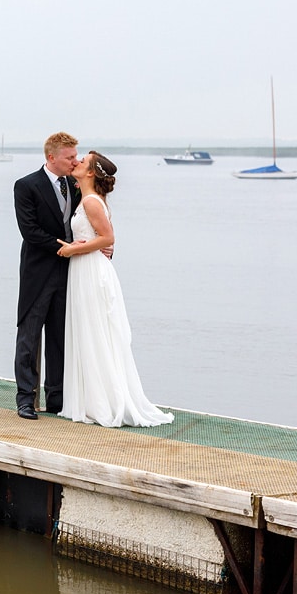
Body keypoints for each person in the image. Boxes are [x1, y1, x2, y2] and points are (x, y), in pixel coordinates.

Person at [56, 151, 173, 427]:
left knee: (96, 331)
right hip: (85, 268)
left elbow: (108, 238)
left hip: (91, 270)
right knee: (89, 331)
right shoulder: (88, 199)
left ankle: (103, 402)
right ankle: (92, 400)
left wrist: (75, 248)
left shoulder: (92, 202)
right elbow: (101, 238)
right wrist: (83, 248)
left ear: (91, 173)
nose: (77, 162)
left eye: (82, 161)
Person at [12, 132, 80, 420]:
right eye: (69, 157)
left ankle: (58, 398)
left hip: (70, 272)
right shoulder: (26, 186)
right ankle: (26, 399)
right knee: (29, 337)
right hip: (38, 272)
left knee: (60, 336)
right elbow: (30, 231)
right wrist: (65, 248)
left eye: (76, 156)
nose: (75, 162)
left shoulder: (76, 185)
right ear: (51, 157)